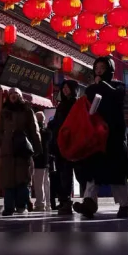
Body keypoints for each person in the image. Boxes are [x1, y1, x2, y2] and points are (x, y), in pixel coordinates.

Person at [73, 56, 128, 219]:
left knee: (117, 175)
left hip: (114, 136)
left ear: (109, 70)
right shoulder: (91, 89)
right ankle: (88, 204)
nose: (98, 70)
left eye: (102, 67)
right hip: (97, 136)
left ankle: (124, 206)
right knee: (93, 174)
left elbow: (114, 95)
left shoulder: (119, 86)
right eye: (96, 67)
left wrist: (101, 84)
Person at [0, 87, 42, 217]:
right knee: (8, 180)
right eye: (11, 93)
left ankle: (21, 206)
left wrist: (37, 147)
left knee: (22, 180)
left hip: (22, 149)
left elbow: (34, 130)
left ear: (20, 96)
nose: (13, 95)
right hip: (8, 150)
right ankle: (8, 208)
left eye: (16, 93)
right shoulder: (4, 112)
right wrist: (1, 141)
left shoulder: (27, 110)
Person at [48, 79, 79, 215]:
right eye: (63, 87)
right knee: (60, 172)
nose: (65, 90)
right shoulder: (61, 105)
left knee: (67, 172)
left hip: (70, 141)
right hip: (59, 142)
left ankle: (66, 201)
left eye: (68, 87)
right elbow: (57, 121)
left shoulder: (76, 104)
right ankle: (62, 200)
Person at [33, 111, 52, 211]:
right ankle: (47, 204)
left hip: (38, 159)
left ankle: (40, 203)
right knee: (46, 182)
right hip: (46, 160)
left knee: (38, 182)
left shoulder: (37, 131)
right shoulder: (47, 132)